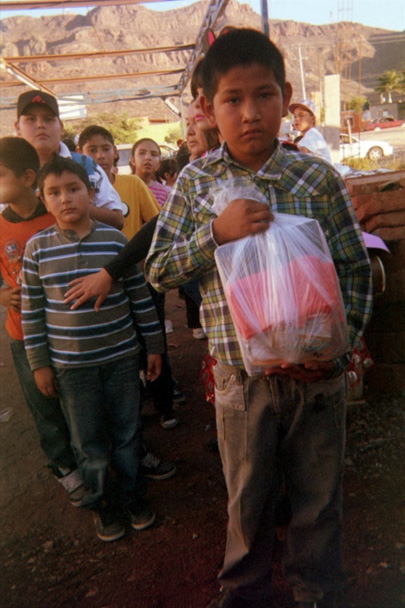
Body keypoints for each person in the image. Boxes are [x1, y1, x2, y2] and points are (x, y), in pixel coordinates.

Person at [145, 29, 372, 608]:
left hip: (317, 374)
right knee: (246, 498)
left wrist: (340, 352)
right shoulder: (196, 184)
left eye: (264, 95)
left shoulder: (316, 178)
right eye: (232, 100)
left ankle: (315, 587)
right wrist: (214, 234)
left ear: (286, 95)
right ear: (207, 108)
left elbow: (353, 267)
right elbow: (159, 272)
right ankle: (243, 590)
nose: (250, 113)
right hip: (241, 382)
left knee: (319, 495)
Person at [21, 156, 165, 542]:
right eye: (54, 192)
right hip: (71, 368)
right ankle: (105, 505)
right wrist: (40, 364)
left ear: (90, 193)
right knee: (88, 442)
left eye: (74, 189)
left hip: (120, 359)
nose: (65, 199)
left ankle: (134, 498)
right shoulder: (36, 250)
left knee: (127, 432)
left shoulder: (115, 241)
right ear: (43, 199)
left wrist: (153, 346)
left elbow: (139, 298)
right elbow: (32, 313)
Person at [0, 136, 84, 505]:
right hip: (24, 334)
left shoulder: (58, 214)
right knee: (43, 402)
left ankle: (92, 454)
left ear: (27, 177)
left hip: (69, 330)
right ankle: (64, 465)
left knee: (77, 398)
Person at [14, 90, 125, 230]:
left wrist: (75, 205)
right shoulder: (9, 172)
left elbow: (117, 220)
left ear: (60, 127)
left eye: (48, 119)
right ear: (17, 127)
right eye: (31, 119)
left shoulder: (87, 165)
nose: (40, 125)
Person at [77, 125, 160, 240]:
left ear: (115, 151)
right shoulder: (75, 191)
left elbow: (158, 222)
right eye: (92, 150)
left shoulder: (133, 183)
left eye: (106, 149)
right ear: (80, 154)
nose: (100, 156)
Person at [289, 99, 333, 164]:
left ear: (312, 119)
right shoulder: (305, 138)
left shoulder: (312, 133)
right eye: (295, 116)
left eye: (301, 115)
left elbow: (301, 153)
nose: (297, 119)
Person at [130, 138, 169, 207]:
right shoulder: (124, 187)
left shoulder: (164, 193)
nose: (148, 157)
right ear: (133, 160)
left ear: (159, 163)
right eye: (142, 153)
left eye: (153, 154)